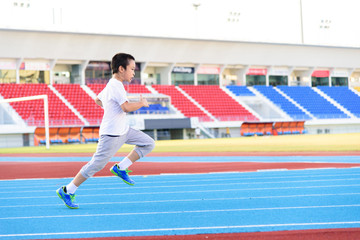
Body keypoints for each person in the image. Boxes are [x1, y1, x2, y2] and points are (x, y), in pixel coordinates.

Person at [56, 53, 155, 209]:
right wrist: (141, 103)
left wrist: (109, 107)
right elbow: (126, 107)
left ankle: (121, 167)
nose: (133, 73)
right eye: (131, 69)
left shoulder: (112, 85)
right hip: (111, 135)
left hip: (124, 131)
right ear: (121, 69)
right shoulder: (116, 86)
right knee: (96, 164)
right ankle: (68, 190)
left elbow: (97, 99)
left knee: (148, 143)